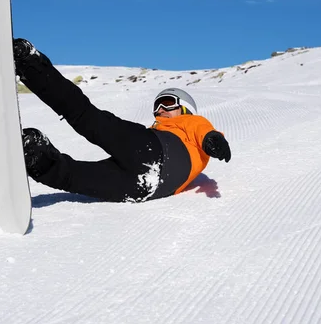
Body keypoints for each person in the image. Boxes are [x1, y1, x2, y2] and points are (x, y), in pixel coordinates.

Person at [13, 38, 231, 203]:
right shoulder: (159, 130)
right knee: (80, 147)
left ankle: (30, 66)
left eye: (167, 102)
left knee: (83, 133)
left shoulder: (190, 124)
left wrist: (213, 139)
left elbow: (203, 130)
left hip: (150, 165)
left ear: (186, 109)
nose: (161, 109)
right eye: (158, 105)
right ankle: (37, 155)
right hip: (146, 177)